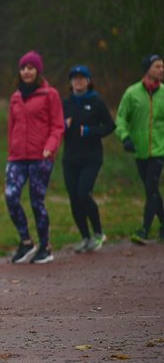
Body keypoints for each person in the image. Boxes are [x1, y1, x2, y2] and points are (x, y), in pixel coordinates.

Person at [4, 50, 64, 264]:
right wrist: (12, 150)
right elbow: (12, 126)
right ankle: (26, 241)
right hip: (17, 158)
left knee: (37, 202)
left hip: (41, 157)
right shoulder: (16, 97)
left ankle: (45, 246)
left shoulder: (50, 95)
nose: (26, 72)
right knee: (11, 197)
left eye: (30, 68)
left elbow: (58, 125)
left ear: (37, 71)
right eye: (23, 68)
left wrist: (50, 148)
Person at [61, 65, 115, 253]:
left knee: (84, 194)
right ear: (71, 82)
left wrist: (92, 131)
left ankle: (99, 233)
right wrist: (63, 126)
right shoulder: (65, 103)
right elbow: (56, 129)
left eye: (81, 77)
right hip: (70, 159)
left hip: (91, 158)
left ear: (88, 80)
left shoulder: (96, 101)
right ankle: (85, 237)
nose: (78, 81)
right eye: (74, 78)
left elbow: (110, 126)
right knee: (74, 199)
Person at [115, 53, 164, 244]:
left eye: (162, 67)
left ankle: (144, 230)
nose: (161, 70)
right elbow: (120, 118)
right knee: (152, 189)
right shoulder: (132, 93)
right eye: (157, 66)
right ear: (147, 70)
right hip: (140, 150)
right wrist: (125, 137)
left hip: (160, 150)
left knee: (151, 188)